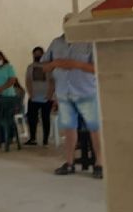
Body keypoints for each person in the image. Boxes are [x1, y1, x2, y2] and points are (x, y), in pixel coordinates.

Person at [42, 17, 103, 179]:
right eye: (66, 24)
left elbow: (99, 68)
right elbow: (44, 66)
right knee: (69, 129)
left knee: (94, 129)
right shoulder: (56, 43)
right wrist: (56, 63)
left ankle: (100, 163)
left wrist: (76, 64)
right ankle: (69, 163)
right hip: (64, 93)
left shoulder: (89, 42)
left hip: (86, 92)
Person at [25, 46, 53, 146]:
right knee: (31, 118)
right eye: (35, 53)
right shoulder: (30, 67)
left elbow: (52, 81)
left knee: (45, 118)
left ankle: (45, 139)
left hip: (47, 97)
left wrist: (50, 95)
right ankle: (32, 138)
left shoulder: (49, 66)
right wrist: (30, 93)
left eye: (39, 53)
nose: (37, 55)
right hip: (34, 97)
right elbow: (28, 80)